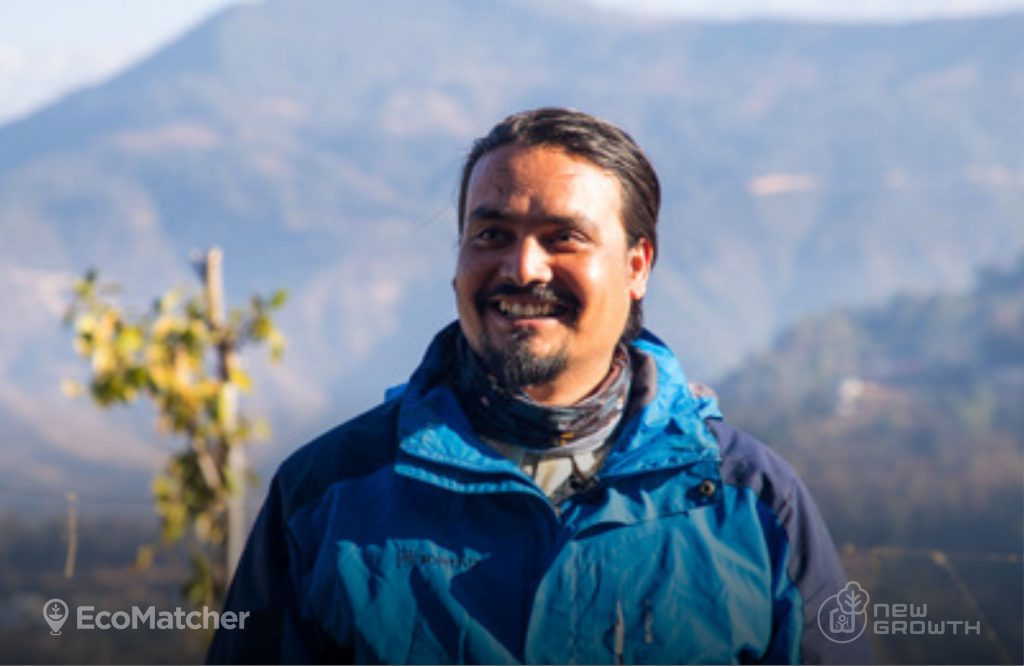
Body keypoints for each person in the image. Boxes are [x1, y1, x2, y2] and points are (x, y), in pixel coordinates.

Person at [207, 108, 873, 664]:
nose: (522, 268)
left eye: (564, 238)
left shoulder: (749, 503)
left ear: (637, 266)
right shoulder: (327, 496)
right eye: (491, 234)